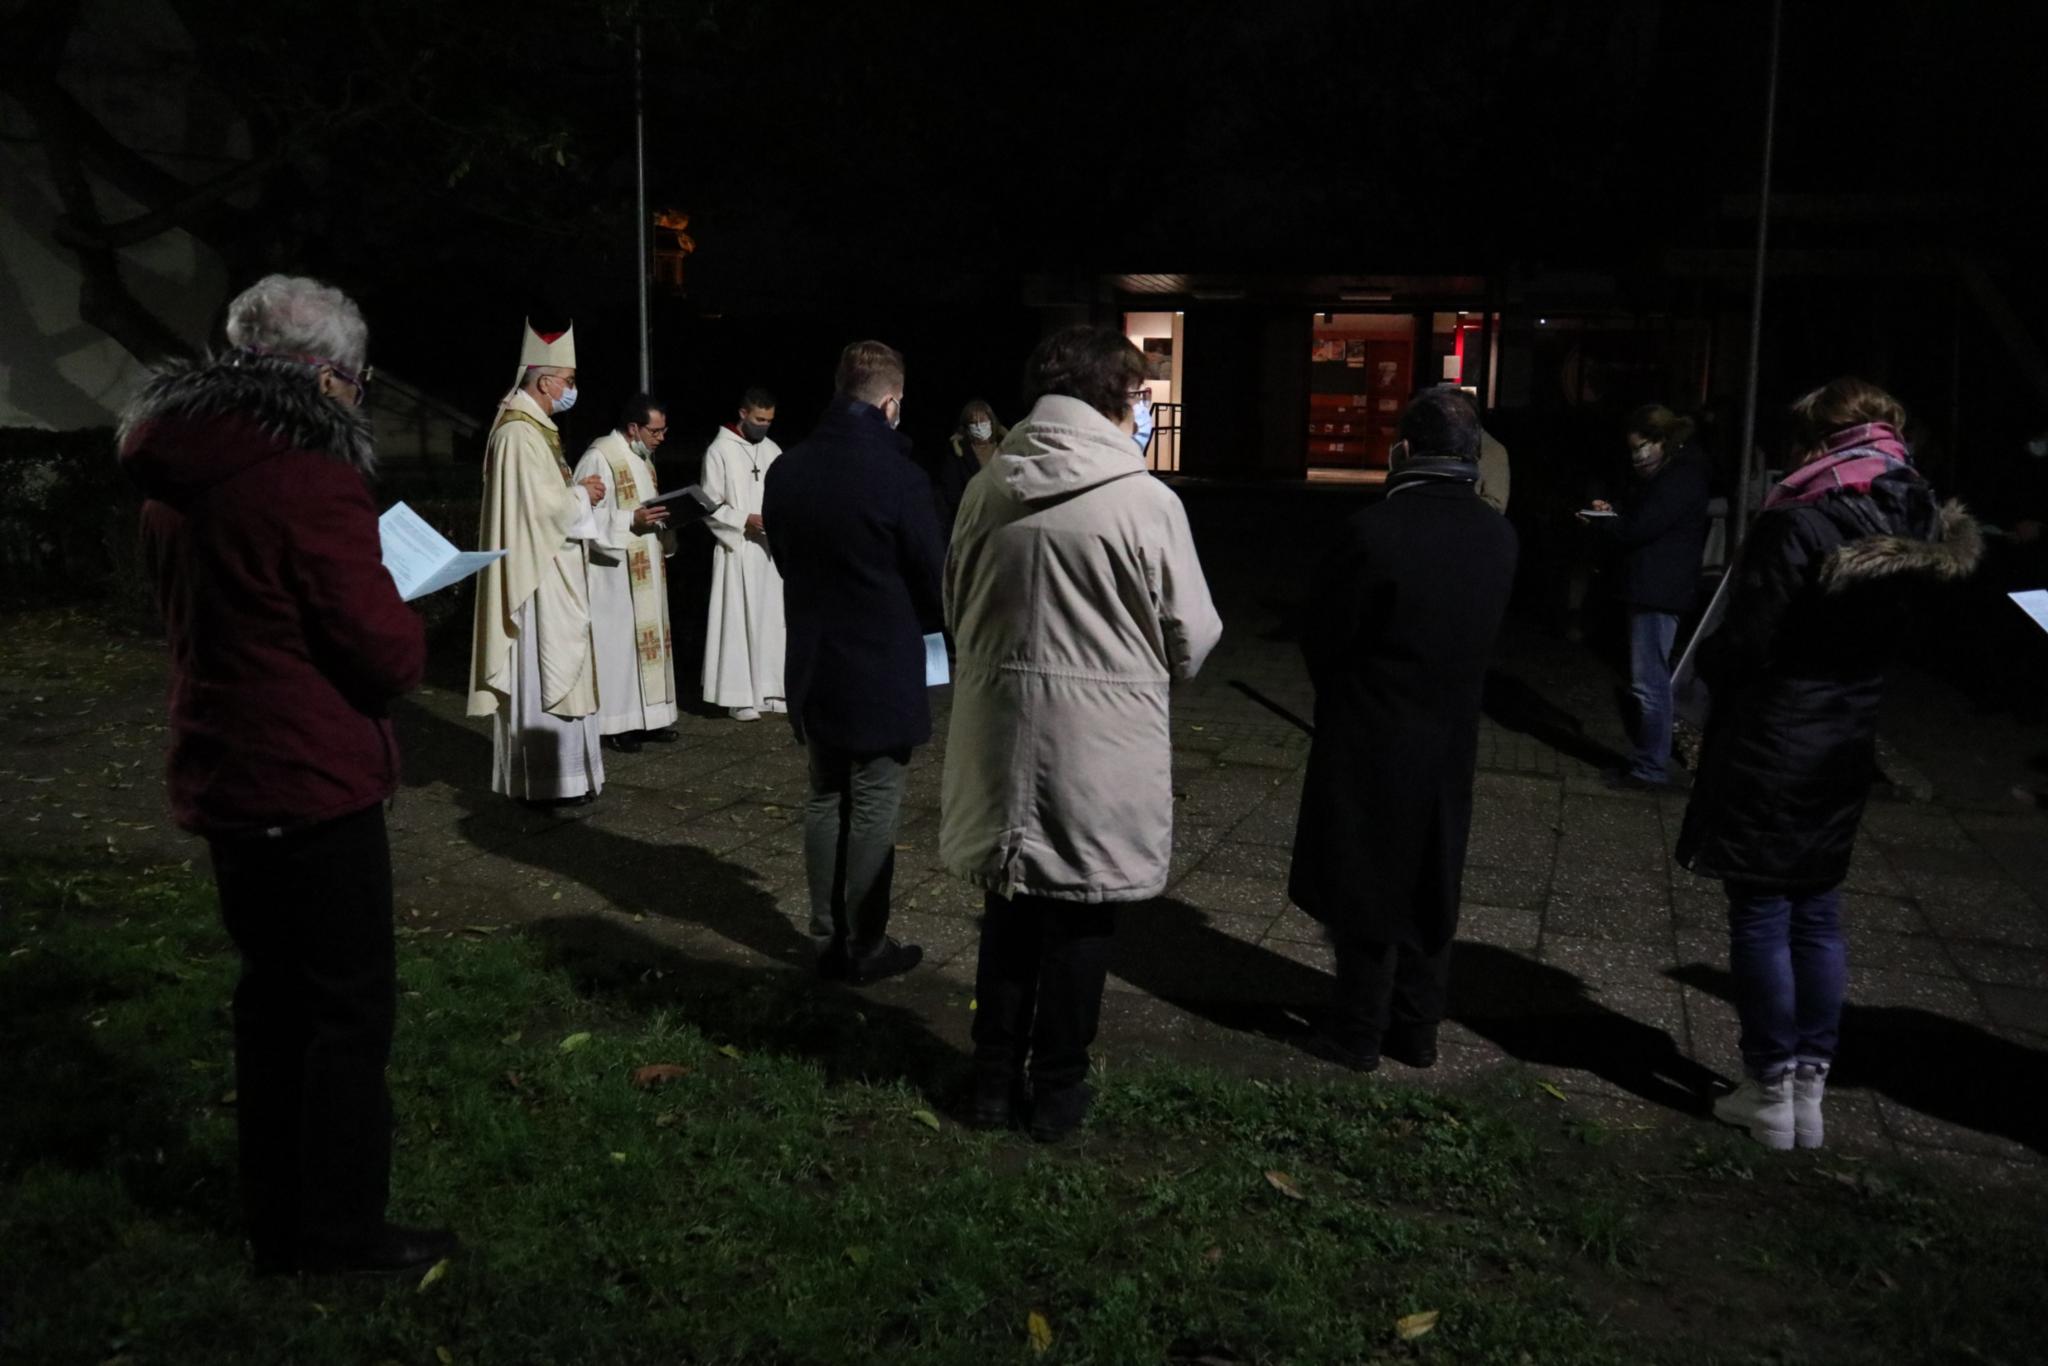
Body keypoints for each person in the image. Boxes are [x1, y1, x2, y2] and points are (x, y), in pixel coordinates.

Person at [116, 274, 456, 1275]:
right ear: (324, 375)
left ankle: (278, 1218)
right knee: (344, 1016)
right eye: (352, 380)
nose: (355, 397)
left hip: (225, 767)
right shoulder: (304, 474)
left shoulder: (181, 465)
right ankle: (341, 1234)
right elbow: (382, 654)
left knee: (270, 1007)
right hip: (308, 777)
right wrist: (402, 600)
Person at [1677, 378, 1980, 1150]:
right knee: (1817, 912)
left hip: (1777, 734)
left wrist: (1706, 664)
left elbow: (1751, 642)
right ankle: (1809, 1086)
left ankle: (1769, 1088)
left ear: (1819, 440)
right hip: (1847, 734)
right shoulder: (1915, 514)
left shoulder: (1806, 518)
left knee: (1762, 910)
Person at [942, 326, 1222, 1141]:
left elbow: (954, 606)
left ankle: (992, 1082)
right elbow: (1192, 640)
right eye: (1136, 396)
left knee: (1009, 908)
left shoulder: (986, 490)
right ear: (1114, 398)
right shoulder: (1147, 503)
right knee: (1082, 918)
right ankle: (1059, 1092)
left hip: (1000, 736)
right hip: (1102, 748)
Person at [1288, 388, 1518, 1073]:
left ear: (1404, 449)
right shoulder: (1496, 535)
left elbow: (1327, 634)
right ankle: (1418, 1028)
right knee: (1432, 876)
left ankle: (1357, 1028)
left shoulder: (1374, 531)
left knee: (1366, 879)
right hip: (1451, 734)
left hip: (1371, 729)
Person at [763, 342, 944, 987]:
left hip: (814, 660)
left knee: (822, 795)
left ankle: (823, 935)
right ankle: (864, 942)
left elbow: (784, 559)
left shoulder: (787, 470)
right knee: (873, 801)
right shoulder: (899, 477)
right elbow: (934, 575)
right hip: (879, 666)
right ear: (891, 402)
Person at [467, 320, 609, 806]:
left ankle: (573, 777)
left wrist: (574, 495)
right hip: (536, 579)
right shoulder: (517, 434)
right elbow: (539, 510)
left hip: (552, 567)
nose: (571, 389)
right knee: (544, 668)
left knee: (565, 666)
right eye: (567, 380)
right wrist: (581, 495)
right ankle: (545, 782)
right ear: (545, 381)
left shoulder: (534, 427)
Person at [1580, 405, 1710, 790]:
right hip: (1657, 587)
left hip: (1658, 589)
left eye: (1641, 446)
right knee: (1650, 681)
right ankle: (1648, 762)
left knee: (1649, 684)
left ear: (1661, 441)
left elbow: (1641, 528)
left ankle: (1650, 768)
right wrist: (1615, 514)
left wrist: (1608, 523)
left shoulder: (1679, 477)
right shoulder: (1675, 474)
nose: (1637, 455)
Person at [573, 394, 677, 753]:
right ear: (633, 427)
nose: (662, 437)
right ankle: (616, 724)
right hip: (613, 571)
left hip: (645, 560)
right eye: (655, 430)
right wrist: (629, 520)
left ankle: (651, 718)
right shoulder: (600, 456)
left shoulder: (641, 457)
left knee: (647, 647)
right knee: (618, 647)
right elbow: (582, 515)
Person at [701, 386, 787, 721]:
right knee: (738, 619)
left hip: (767, 551)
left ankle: (772, 688)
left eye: (769, 420)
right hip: (736, 548)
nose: (764, 426)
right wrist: (741, 521)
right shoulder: (719, 450)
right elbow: (708, 503)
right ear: (743, 414)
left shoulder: (773, 449)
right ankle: (739, 696)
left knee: (772, 619)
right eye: (759, 419)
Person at [932, 398, 1005, 537]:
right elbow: (950, 496)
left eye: (983, 421)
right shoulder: (958, 455)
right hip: (973, 528)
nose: (979, 426)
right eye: (973, 423)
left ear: (992, 422)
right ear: (966, 427)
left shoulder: (1007, 448)